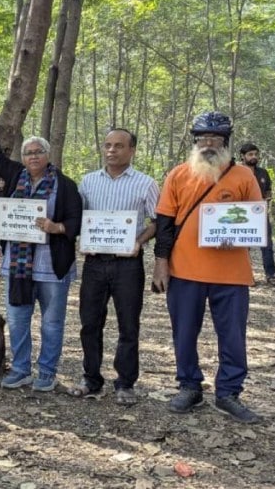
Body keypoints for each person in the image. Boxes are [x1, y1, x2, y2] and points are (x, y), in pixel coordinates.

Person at [153, 112, 262, 424]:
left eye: (215, 138)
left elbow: (255, 218)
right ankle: (189, 386)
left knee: (232, 335)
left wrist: (239, 235)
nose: (208, 144)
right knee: (184, 333)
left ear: (226, 142)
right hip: (185, 270)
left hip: (232, 274)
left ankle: (228, 392)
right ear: (195, 141)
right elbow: (164, 224)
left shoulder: (244, 176)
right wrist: (161, 263)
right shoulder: (177, 175)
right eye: (202, 138)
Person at [0, 116, 82, 392]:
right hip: (18, 266)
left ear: (48, 155)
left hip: (52, 267)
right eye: (28, 152)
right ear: (23, 157)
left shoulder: (65, 185)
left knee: (51, 323)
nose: (33, 156)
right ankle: (21, 369)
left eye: (39, 151)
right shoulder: (15, 176)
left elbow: (77, 221)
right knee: (17, 319)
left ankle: (47, 372)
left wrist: (56, 227)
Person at [69, 129, 159, 405]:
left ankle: (125, 383)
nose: (111, 150)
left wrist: (139, 242)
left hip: (128, 265)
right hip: (95, 263)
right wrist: (83, 238)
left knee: (128, 325)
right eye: (107, 145)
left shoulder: (146, 183)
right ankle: (91, 378)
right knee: (90, 323)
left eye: (119, 146)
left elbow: (158, 221)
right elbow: (76, 217)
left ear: (131, 150)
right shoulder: (87, 182)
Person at [239, 143, 275, 286]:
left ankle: (271, 275)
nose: (254, 157)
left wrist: (265, 200)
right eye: (250, 154)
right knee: (243, 247)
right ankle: (246, 275)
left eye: (255, 154)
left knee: (267, 244)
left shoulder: (263, 173)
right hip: (241, 214)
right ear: (242, 156)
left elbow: (268, 191)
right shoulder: (235, 171)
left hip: (260, 213)